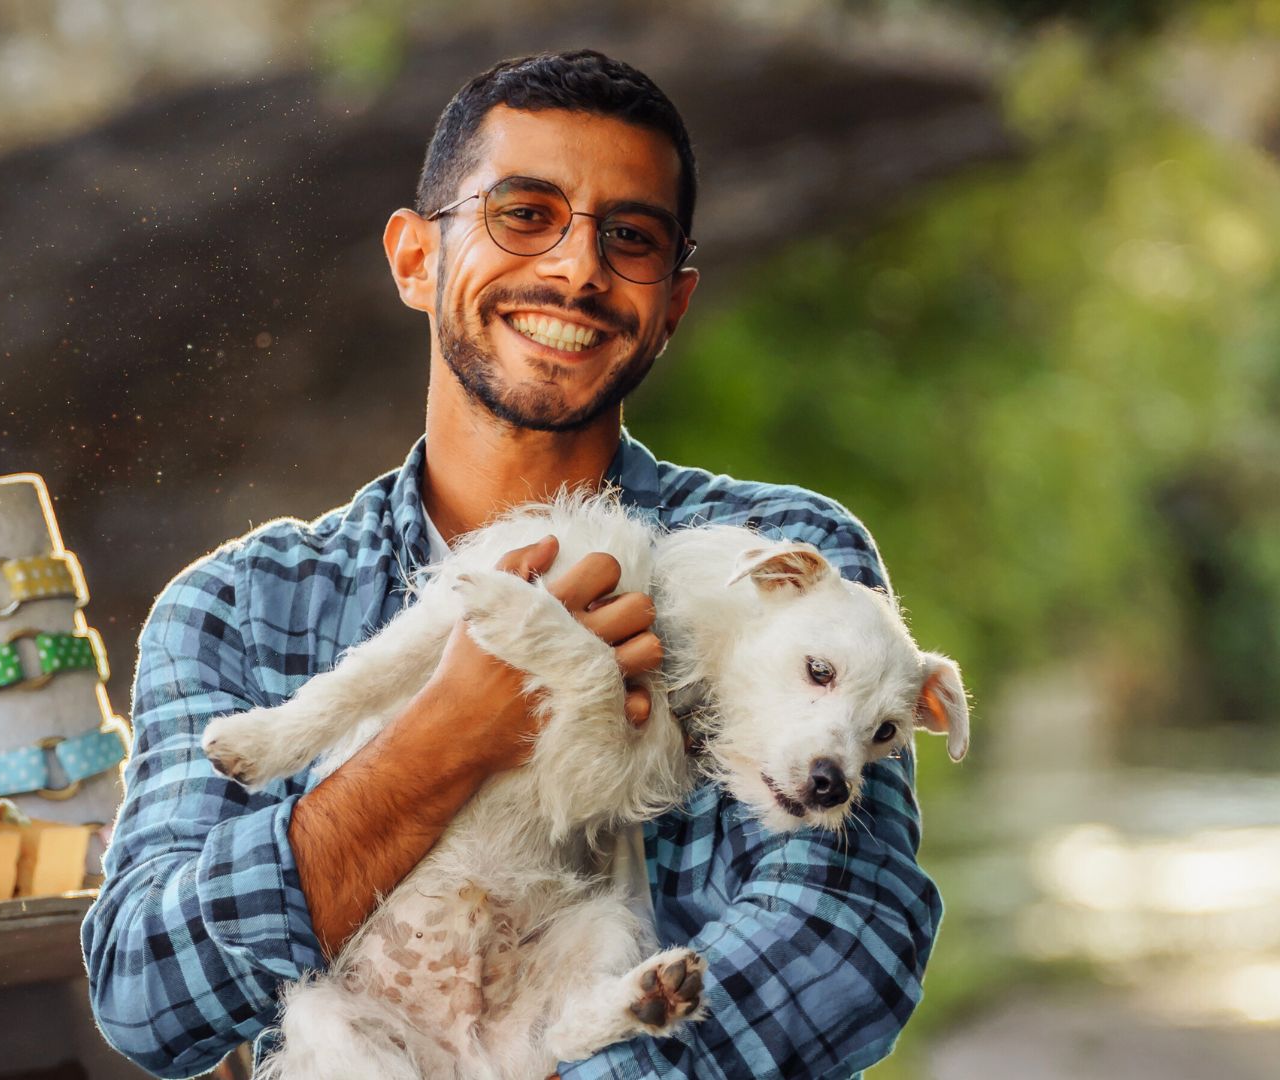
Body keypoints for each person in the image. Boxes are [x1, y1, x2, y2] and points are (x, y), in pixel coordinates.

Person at [81, 49, 941, 1079]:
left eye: (630, 239)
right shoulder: (238, 607)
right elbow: (143, 991)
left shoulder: (789, 564)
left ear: (672, 303)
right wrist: (445, 741)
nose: (578, 270)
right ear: (414, 260)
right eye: (523, 214)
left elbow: (848, 938)